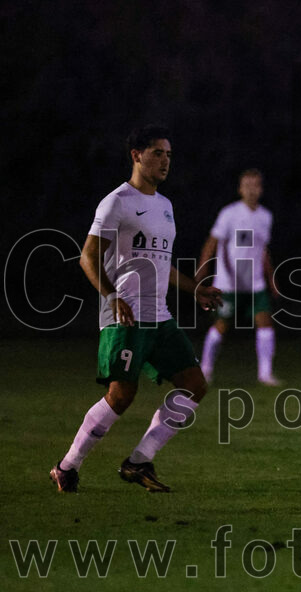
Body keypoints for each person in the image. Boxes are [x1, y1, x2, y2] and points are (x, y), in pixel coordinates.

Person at [50, 125, 222, 493]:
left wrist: (196, 289)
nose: (165, 161)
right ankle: (68, 466)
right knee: (121, 396)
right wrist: (112, 297)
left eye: (169, 155)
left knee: (194, 385)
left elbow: (162, 262)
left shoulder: (165, 206)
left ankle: (139, 461)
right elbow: (87, 257)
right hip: (124, 317)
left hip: (158, 316)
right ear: (136, 155)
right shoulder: (117, 202)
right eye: (158, 153)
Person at [195, 169, 280, 386]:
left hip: (255, 283)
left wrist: (271, 280)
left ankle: (265, 374)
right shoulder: (229, 214)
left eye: (256, 185)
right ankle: (205, 369)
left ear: (261, 189)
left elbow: (263, 251)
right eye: (247, 185)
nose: (251, 190)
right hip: (228, 284)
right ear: (240, 189)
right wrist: (202, 271)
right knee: (221, 325)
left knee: (265, 323)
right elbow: (212, 242)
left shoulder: (265, 216)